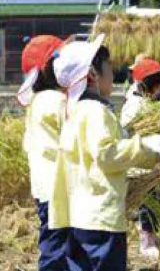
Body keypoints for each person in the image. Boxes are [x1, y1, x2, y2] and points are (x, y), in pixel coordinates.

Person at [48, 35, 160, 271]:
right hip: (101, 217)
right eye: (109, 69)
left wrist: (153, 153)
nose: (113, 75)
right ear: (93, 75)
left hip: (79, 214)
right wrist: (148, 146)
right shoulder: (95, 112)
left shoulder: (75, 111)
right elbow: (108, 154)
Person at [120, 58, 160, 261]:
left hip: (152, 161)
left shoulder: (145, 102)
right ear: (153, 85)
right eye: (159, 85)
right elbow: (127, 130)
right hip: (142, 164)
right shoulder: (135, 106)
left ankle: (148, 229)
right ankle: (147, 235)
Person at [18, 35, 69, 271]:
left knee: (55, 243)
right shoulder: (57, 101)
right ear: (50, 69)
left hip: (45, 189)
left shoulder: (38, 100)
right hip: (58, 188)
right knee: (59, 248)